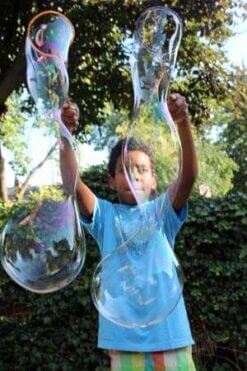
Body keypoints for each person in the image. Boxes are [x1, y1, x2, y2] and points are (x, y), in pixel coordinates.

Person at [61, 93, 198, 370]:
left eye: (141, 169)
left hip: (170, 336)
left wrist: (182, 123)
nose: (133, 175)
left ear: (153, 179)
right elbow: (73, 184)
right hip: (124, 343)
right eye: (124, 170)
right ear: (111, 181)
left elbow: (188, 177)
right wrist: (65, 135)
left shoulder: (162, 213)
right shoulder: (105, 217)